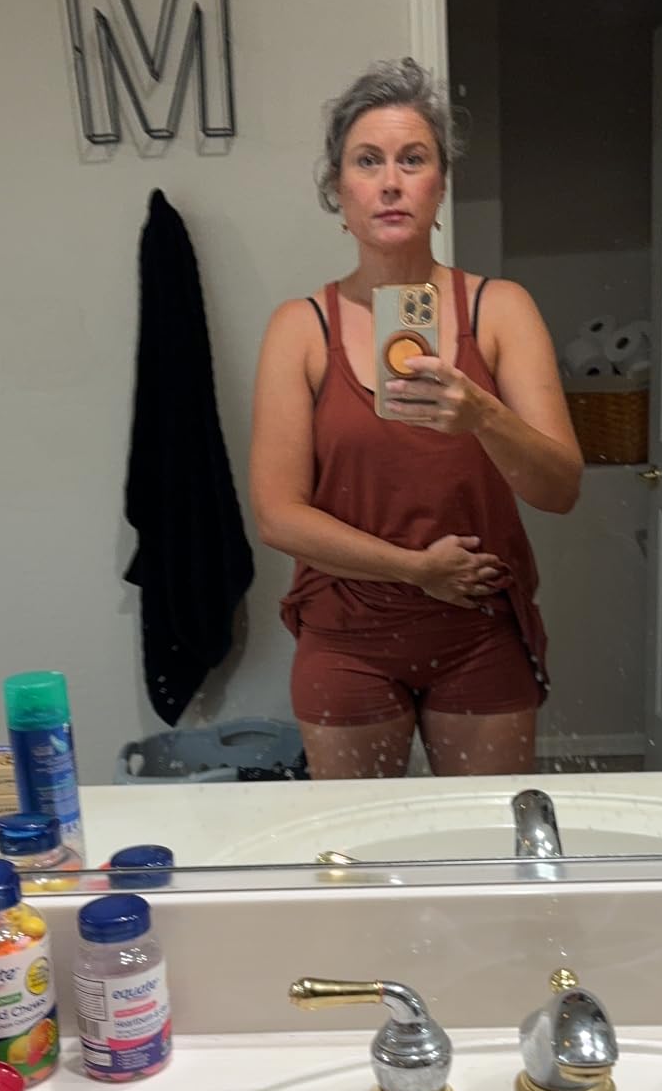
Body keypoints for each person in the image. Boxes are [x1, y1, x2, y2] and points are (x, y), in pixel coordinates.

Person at [249, 58, 582, 779]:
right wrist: (416, 570)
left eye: (413, 159)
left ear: (440, 186)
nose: (391, 181)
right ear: (338, 190)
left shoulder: (500, 310)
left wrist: (483, 414)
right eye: (367, 161)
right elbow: (277, 516)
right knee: (361, 845)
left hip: (479, 629)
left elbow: (559, 489)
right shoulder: (300, 329)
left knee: (486, 837)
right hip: (346, 637)